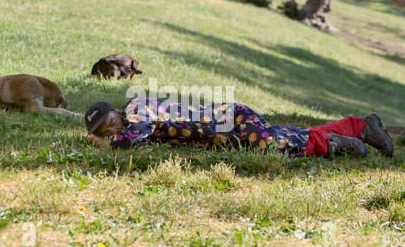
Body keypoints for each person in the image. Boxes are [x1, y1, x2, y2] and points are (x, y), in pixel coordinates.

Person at [85, 97, 393, 158]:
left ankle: (336, 146)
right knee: (288, 135)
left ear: (115, 111)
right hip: (225, 132)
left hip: (231, 117)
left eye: (110, 123)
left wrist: (107, 145)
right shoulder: (131, 116)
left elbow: (133, 138)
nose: (112, 131)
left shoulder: (136, 110)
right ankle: (361, 127)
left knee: (267, 145)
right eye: (105, 132)